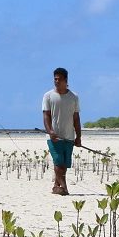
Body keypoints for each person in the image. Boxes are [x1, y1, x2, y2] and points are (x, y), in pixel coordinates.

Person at [42, 67, 82, 195]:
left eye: (59, 79)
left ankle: (56, 186)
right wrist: (50, 131)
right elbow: (46, 115)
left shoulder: (74, 97)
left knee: (64, 164)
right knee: (58, 161)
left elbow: (76, 117)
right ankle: (64, 187)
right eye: (55, 79)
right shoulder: (48, 96)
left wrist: (78, 136)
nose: (57, 81)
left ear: (65, 80)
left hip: (69, 136)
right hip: (54, 137)